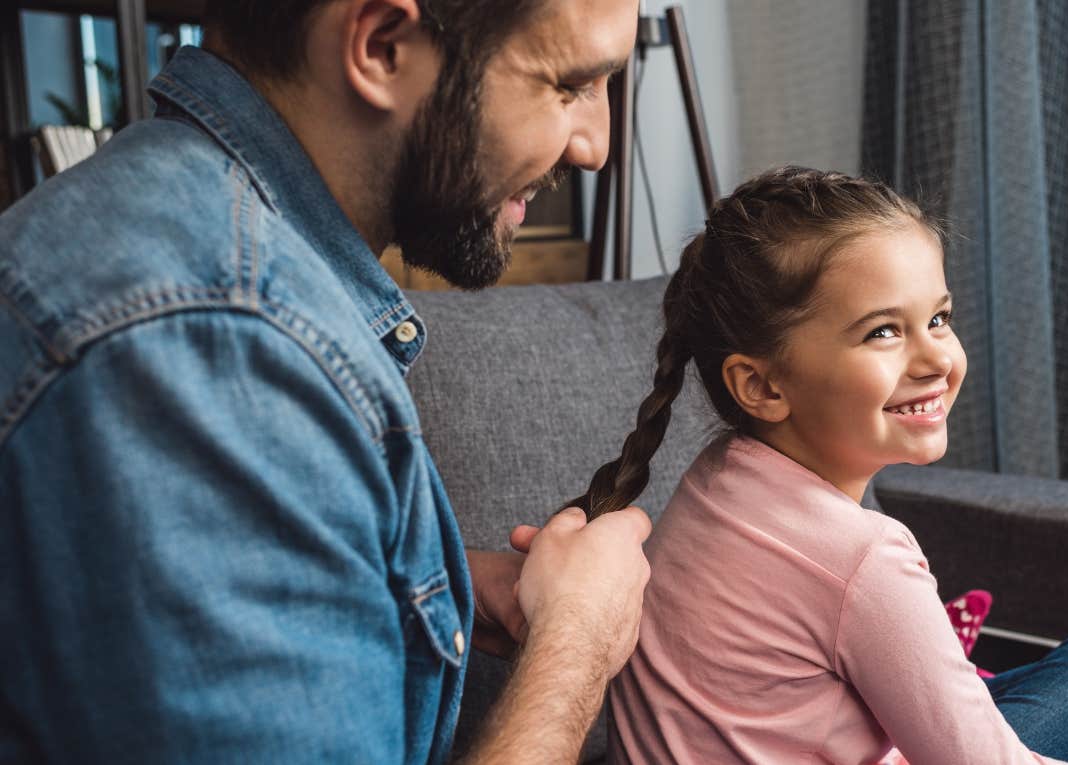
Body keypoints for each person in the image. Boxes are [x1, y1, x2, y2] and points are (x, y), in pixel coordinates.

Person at [0, 1, 650, 762]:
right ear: (380, 46)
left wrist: (416, 586)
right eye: (570, 84)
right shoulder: (214, 349)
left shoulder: (186, 250)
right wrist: (575, 642)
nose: (596, 147)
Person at [570, 167, 1068, 765]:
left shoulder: (713, 477)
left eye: (938, 318)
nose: (936, 359)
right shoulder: (864, 559)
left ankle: (946, 674)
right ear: (763, 386)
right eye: (883, 331)